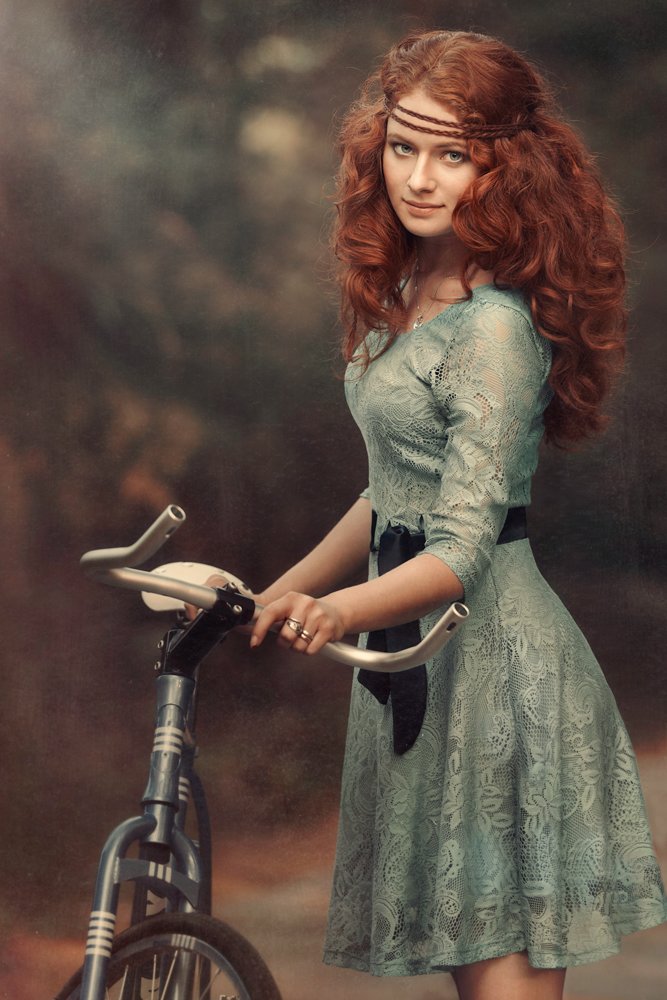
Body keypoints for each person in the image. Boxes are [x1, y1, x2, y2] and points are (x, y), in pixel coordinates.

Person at [207, 29, 666, 1000]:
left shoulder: (493, 329)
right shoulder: (402, 293)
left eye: (452, 153)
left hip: (497, 671)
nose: (419, 178)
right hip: (420, 660)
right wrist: (279, 593)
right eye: (403, 145)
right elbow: (391, 492)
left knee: (503, 979)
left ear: (505, 167)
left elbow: (459, 551)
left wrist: (339, 610)